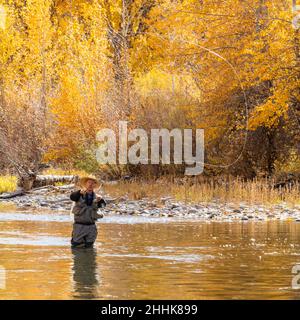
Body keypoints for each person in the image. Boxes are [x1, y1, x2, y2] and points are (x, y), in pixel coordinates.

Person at [70, 176, 106, 248]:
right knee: (76, 246)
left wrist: (101, 200)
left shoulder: (97, 197)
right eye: (89, 182)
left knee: (89, 246)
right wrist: (79, 193)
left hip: (91, 227)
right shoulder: (78, 194)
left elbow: (103, 206)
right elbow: (72, 197)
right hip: (79, 226)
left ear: (95, 185)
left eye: (93, 183)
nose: (90, 185)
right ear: (85, 184)